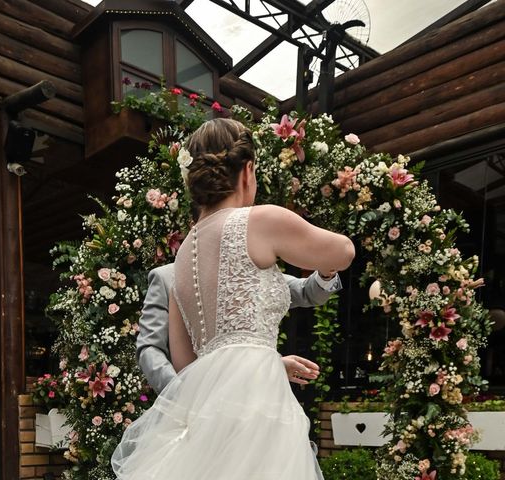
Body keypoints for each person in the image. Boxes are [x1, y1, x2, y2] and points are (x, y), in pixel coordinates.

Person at [112, 118, 355, 479]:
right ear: (249, 170)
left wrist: (257, 362)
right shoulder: (257, 222)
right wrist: (260, 361)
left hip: (212, 421)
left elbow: (185, 363)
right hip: (256, 411)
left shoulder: (181, 258)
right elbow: (343, 252)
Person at [137, 264, 341, 394]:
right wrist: (179, 393)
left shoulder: (252, 276)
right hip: (190, 410)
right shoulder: (166, 277)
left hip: (250, 405)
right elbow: (150, 347)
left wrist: (327, 270)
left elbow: (306, 291)